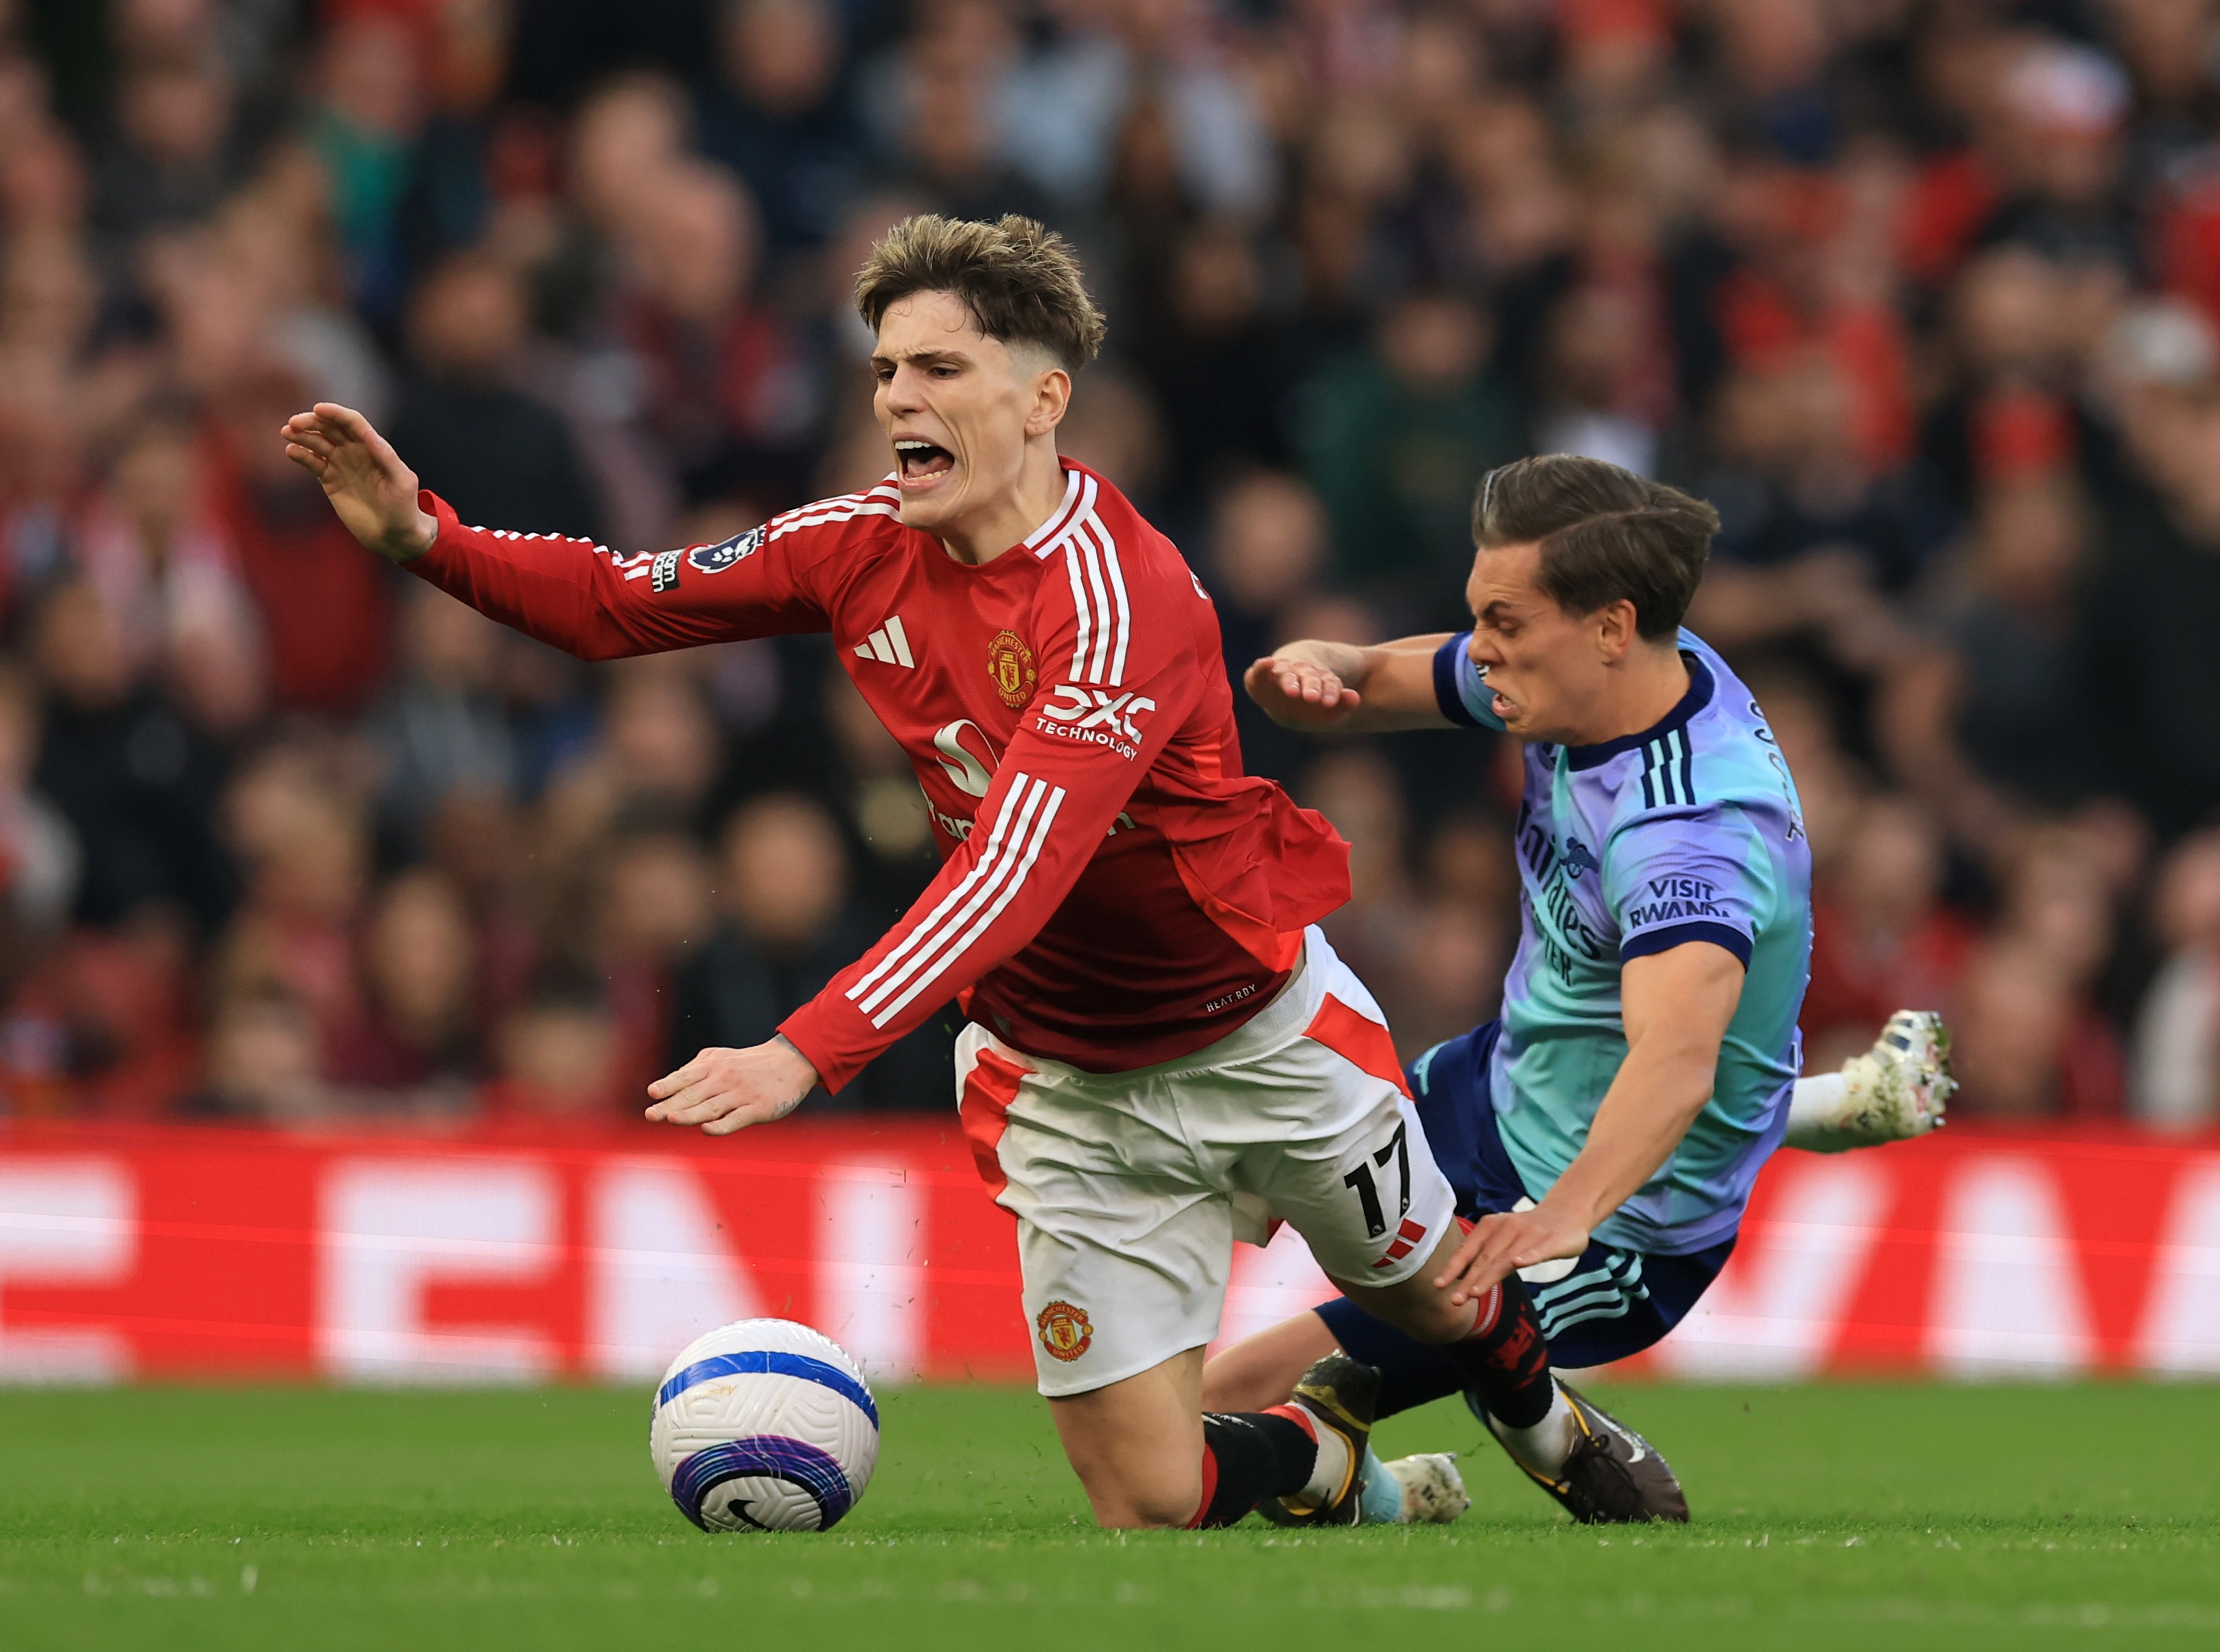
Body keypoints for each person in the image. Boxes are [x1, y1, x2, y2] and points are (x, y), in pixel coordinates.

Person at [279, 214, 1565, 1532]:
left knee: (1439, 1296)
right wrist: (424, 540)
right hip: (1068, 1078)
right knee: (1148, 1498)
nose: (899, 396)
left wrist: (807, 1049)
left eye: (940, 368)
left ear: (1042, 396)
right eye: (887, 369)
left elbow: (1019, 869)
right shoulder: (854, 544)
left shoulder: (1124, 599)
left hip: (1253, 1035)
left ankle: (1556, 1432)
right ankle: (1354, 1479)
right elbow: (621, 600)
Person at [1235, 454, 1950, 1525]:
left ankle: (1411, 1484)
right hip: (1495, 1089)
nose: (1483, 649)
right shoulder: (1589, 672)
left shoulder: (1691, 837)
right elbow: (1399, 681)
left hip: (1620, 1231)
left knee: (1226, 1399)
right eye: (1479, 615)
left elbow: (1674, 1058)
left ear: (1610, 627)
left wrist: (1562, 1216)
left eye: (1504, 622)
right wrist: (1328, 669)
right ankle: (1826, 1110)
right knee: (1232, 1176)